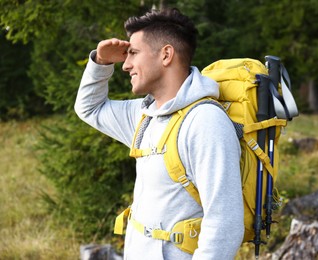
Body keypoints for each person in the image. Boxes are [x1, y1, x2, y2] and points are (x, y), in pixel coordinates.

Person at [75, 8, 244, 259]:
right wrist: (101, 63)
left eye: (133, 53)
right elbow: (89, 108)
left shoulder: (206, 122)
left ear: (166, 55)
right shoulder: (143, 116)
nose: (127, 65)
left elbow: (224, 223)